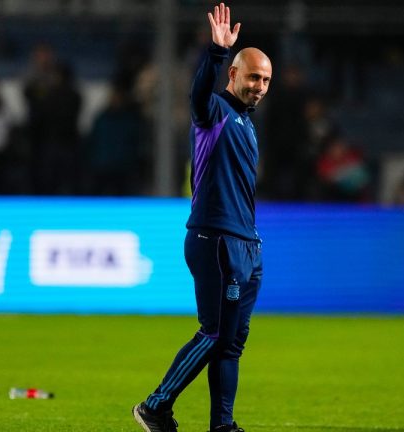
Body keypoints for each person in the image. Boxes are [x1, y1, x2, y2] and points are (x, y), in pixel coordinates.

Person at [132, 4, 270, 432]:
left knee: (230, 346)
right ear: (233, 75)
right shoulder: (213, 114)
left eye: (266, 80)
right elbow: (196, 96)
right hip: (216, 243)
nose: (260, 86)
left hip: (246, 245)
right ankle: (154, 406)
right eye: (252, 77)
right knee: (213, 334)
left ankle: (222, 426)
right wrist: (215, 51)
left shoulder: (246, 123)